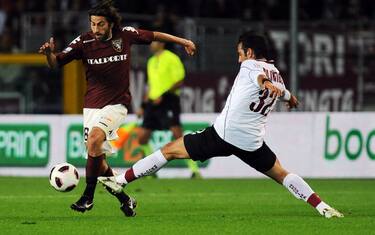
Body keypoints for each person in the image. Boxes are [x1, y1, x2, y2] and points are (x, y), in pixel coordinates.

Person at [98, 31, 344, 218]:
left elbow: (258, 78)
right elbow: (283, 90)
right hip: (251, 143)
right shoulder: (276, 73)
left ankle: (120, 181)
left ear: (248, 52)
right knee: (281, 174)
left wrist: (263, 84)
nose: (239, 59)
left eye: (239, 53)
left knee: (170, 150)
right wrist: (290, 99)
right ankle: (322, 207)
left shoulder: (251, 66)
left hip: (224, 135)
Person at [38, 0, 196, 217]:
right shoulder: (84, 41)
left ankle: (87, 197)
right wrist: (48, 54)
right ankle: (126, 200)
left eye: (100, 24)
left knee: (94, 140)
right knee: (98, 159)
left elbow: (156, 35)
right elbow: (56, 63)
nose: (96, 29)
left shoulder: (126, 35)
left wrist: (184, 41)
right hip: (91, 107)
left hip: (116, 104)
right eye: (93, 24)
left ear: (111, 23)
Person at [137, 40, 201, 178]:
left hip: (169, 100)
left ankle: (194, 170)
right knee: (142, 137)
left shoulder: (172, 58)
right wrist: (143, 106)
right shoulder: (151, 61)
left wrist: (164, 95)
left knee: (177, 134)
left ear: (162, 43)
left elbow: (179, 80)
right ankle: (151, 170)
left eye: (154, 42)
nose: (151, 44)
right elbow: (150, 85)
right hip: (153, 102)